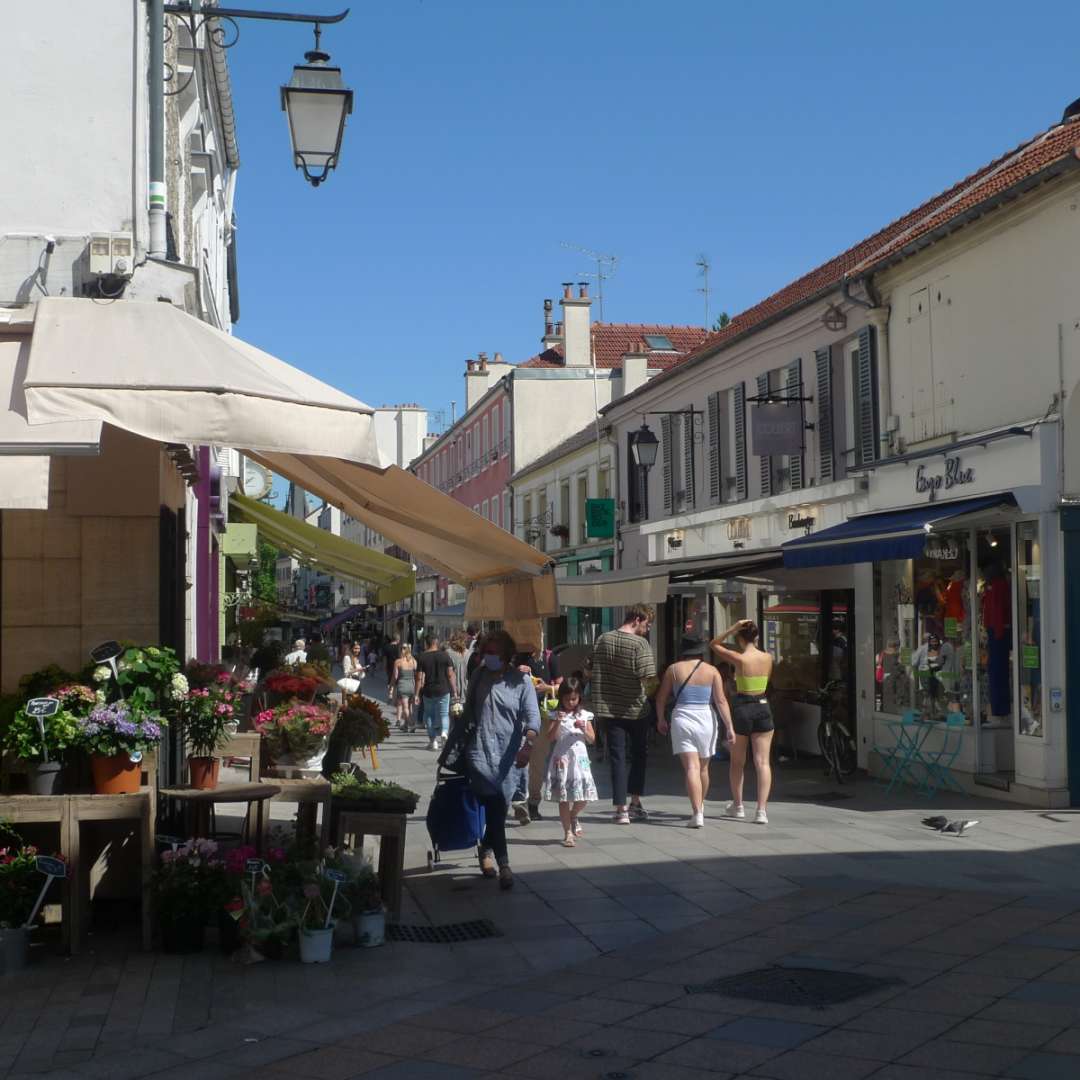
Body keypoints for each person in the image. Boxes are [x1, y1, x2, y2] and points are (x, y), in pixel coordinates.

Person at [460, 629, 540, 890]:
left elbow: (532, 717)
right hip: (479, 751)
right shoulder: (479, 676)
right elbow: (468, 709)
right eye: (485, 652)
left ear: (506, 655)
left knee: (499, 807)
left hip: (508, 755)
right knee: (494, 803)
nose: (487, 657)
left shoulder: (521, 682)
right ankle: (504, 865)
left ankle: (485, 849)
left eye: (493, 653)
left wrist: (528, 746)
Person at [656, 637, 735, 828]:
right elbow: (721, 701)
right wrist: (730, 727)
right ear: (702, 652)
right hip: (706, 718)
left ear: (683, 651)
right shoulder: (712, 671)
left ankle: (697, 813)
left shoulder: (673, 669)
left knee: (691, 768)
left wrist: (660, 719)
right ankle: (700, 806)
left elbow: (661, 697)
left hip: (682, 717)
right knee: (703, 768)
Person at [590, 604, 657, 825]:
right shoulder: (640, 644)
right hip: (637, 709)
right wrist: (655, 696)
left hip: (609, 709)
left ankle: (621, 810)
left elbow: (589, 667)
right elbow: (648, 677)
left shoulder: (602, 639)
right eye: (647, 625)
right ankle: (635, 802)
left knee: (617, 758)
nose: (647, 630)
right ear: (637, 619)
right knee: (639, 755)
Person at [710, 619, 774, 825]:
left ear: (739, 637)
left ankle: (738, 806)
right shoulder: (767, 658)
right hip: (763, 705)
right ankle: (761, 810)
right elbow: (767, 682)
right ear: (756, 637)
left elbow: (714, 644)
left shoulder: (739, 658)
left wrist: (732, 627)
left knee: (737, 761)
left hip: (742, 707)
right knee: (762, 762)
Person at [542, 677, 598, 847]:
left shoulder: (584, 715)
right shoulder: (556, 714)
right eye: (567, 699)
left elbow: (592, 739)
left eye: (574, 699)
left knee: (584, 796)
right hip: (563, 760)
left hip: (580, 761)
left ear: (579, 697)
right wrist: (558, 720)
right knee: (564, 798)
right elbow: (550, 738)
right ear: (561, 698)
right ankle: (567, 832)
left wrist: (583, 728)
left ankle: (574, 815)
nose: (570, 702)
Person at [416, 636, 458, 751]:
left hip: (428, 690)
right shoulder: (445, 655)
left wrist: (416, 694)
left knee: (429, 715)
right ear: (436, 643)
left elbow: (419, 677)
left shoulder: (422, 657)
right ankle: (444, 732)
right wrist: (454, 690)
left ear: (427, 643)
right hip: (443, 689)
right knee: (444, 713)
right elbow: (450, 674)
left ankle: (433, 741)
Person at [393, 644, 418, 732]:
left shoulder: (398, 662)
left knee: (405, 707)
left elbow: (395, 676)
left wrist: (392, 686)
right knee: (410, 707)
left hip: (402, 685)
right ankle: (406, 726)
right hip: (412, 685)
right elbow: (416, 674)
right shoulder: (414, 661)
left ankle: (412, 724)